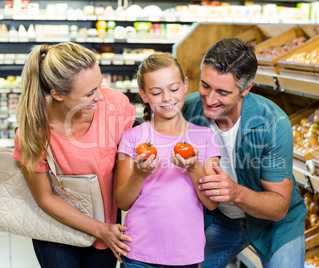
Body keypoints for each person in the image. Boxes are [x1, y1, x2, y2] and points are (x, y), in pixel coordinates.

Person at [182, 38, 307, 267]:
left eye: (222, 92)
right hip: (218, 219)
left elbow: (279, 206)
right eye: (205, 85)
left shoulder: (273, 122)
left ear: (246, 89)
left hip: (274, 224)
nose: (210, 99)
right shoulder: (186, 110)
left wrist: (235, 193)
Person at [13, 42, 136, 267]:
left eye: (99, 85)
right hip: (54, 229)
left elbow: (127, 172)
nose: (100, 96)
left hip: (106, 225)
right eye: (89, 93)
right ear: (57, 94)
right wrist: (101, 229)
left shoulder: (116, 106)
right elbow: (44, 197)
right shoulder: (33, 131)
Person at [115, 53, 221, 268]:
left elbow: (212, 202)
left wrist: (193, 167)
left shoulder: (205, 137)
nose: (166, 98)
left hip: (186, 255)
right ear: (144, 95)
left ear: (185, 85)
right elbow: (122, 201)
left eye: (173, 89)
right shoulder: (133, 138)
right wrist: (139, 174)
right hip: (138, 253)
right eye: (156, 92)